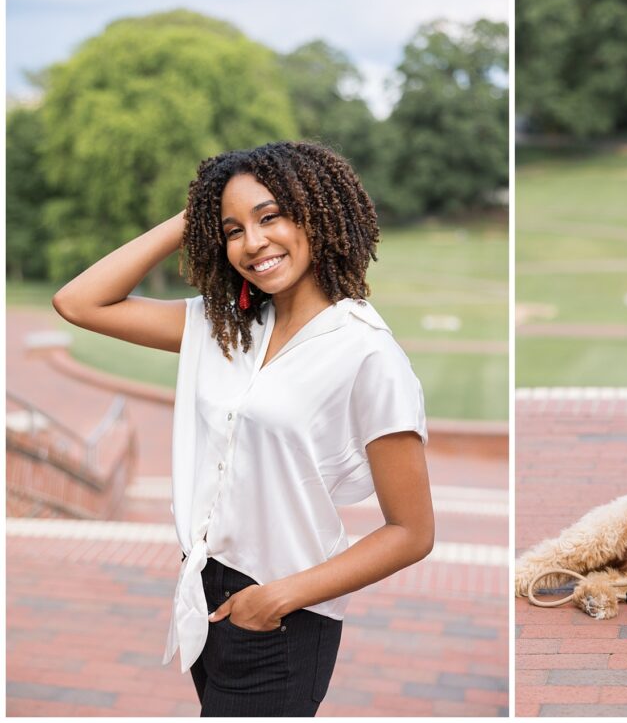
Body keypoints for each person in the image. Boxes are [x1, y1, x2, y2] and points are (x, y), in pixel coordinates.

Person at [53, 141, 434, 716]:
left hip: (282, 617)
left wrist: (276, 598)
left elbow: (411, 531)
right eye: (232, 229)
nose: (252, 243)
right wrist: (197, 213)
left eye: (270, 216)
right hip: (205, 593)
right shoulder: (225, 326)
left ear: (316, 213)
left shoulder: (367, 354)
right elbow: (79, 302)